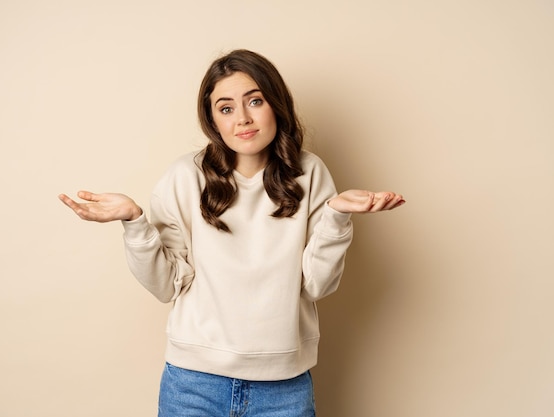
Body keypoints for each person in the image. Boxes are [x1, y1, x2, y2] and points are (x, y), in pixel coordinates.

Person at [59, 49, 404, 417]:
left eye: (254, 101)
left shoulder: (310, 173)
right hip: (193, 384)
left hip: (284, 387)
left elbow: (318, 285)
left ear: (277, 104)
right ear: (213, 120)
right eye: (225, 108)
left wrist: (336, 216)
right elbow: (165, 286)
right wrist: (134, 222)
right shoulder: (184, 177)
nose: (242, 119)